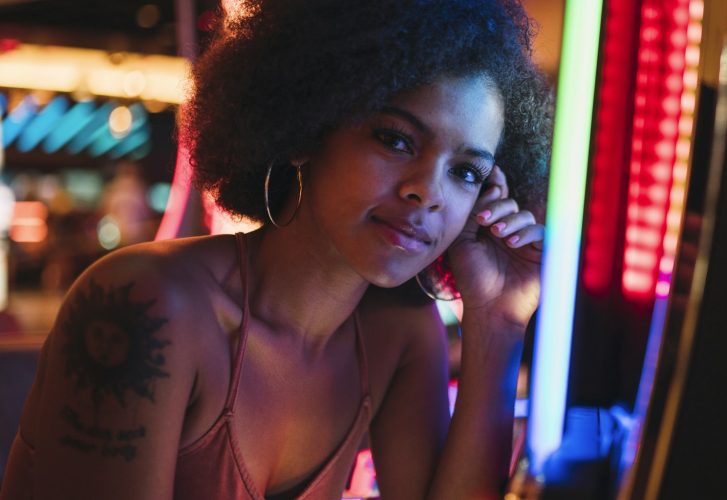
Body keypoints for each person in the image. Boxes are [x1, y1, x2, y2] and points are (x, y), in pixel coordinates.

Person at [0, 0, 552, 498]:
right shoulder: (145, 306)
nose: (427, 192)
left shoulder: (401, 332)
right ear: (306, 128)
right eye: (395, 139)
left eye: (466, 172)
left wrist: (499, 322)